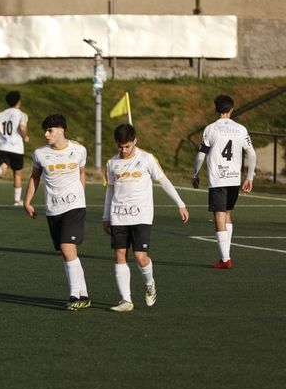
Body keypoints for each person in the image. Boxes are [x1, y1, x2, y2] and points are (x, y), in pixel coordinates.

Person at [103, 124, 190, 312]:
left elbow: (163, 181)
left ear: (135, 141)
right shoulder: (112, 163)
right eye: (120, 147)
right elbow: (110, 190)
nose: (124, 150)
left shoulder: (147, 159)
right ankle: (125, 300)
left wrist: (180, 203)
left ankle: (150, 283)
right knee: (119, 255)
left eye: (127, 146)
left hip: (141, 215)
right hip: (118, 215)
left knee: (140, 256)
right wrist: (105, 216)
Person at [23, 114, 91, 311]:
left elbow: (82, 172)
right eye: (45, 130)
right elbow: (35, 177)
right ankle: (84, 295)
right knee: (67, 253)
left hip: (74, 206)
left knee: (66, 247)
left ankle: (74, 295)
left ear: (61, 130)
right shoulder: (40, 154)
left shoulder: (78, 150)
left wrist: (81, 195)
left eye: (50, 130)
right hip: (53, 209)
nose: (46, 134)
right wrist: (27, 201)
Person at [192, 94, 257, 269]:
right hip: (234, 178)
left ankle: (225, 259)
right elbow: (252, 154)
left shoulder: (210, 129)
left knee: (219, 214)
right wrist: (249, 177)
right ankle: (226, 256)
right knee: (227, 212)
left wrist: (195, 174)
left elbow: (200, 156)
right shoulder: (241, 129)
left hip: (218, 178)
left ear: (216, 108)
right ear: (232, 109)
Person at [0, 90, 30, 206]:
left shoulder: (2, 114)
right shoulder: (22, 115)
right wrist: (25, 137)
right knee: (17, 174)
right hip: (16, 148)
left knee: (2, 172)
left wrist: (2, 135)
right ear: (18, 101)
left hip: (3, 146)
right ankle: (17, 201)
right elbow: (22, 128)